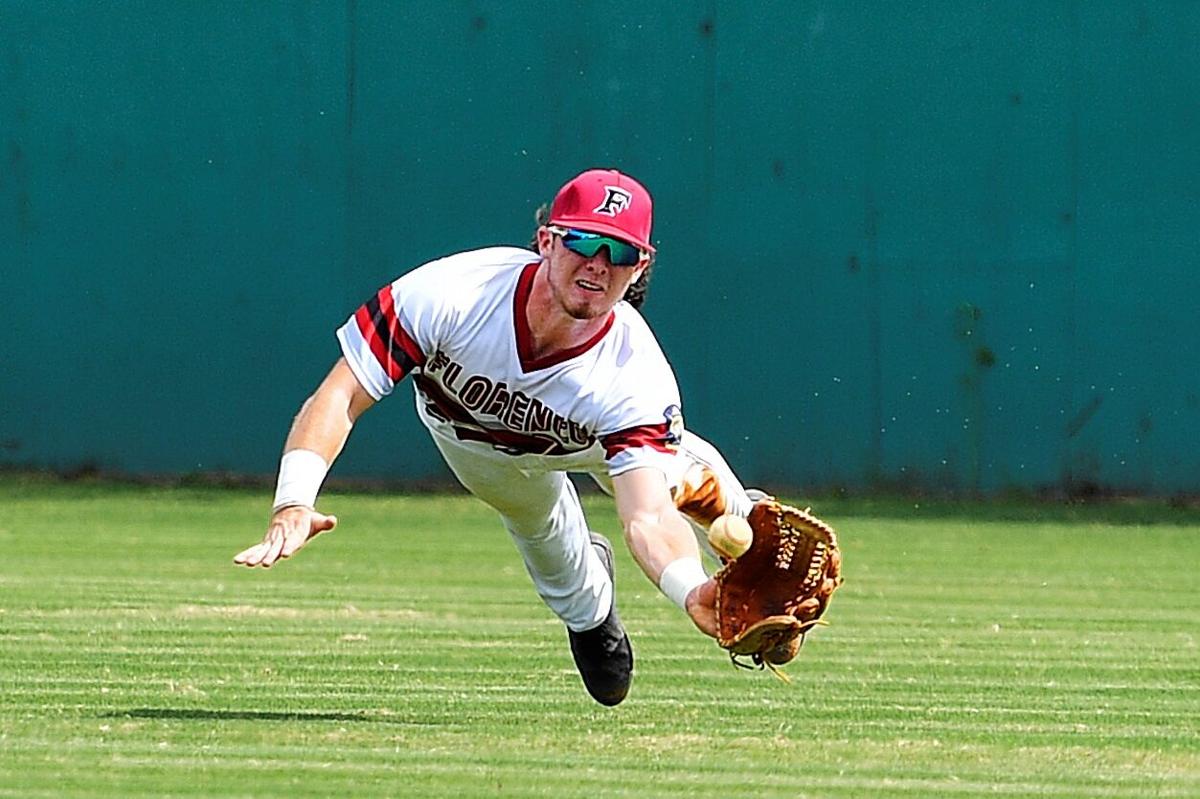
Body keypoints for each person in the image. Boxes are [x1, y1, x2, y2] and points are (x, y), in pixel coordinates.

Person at [234, 168, 760, 706]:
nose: (598, 265)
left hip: (591, 440)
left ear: (641, 266)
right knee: (546, 540)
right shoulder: (453, 294)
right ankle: (592, 612)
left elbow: (645, 516)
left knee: (673, 478)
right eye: (583, 241)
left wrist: (690, 591)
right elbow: (341, 394)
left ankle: (747, 517)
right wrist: (294, 500)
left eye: (620, 252)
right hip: (475, 444)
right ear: (547, 240)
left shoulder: (634, 371)